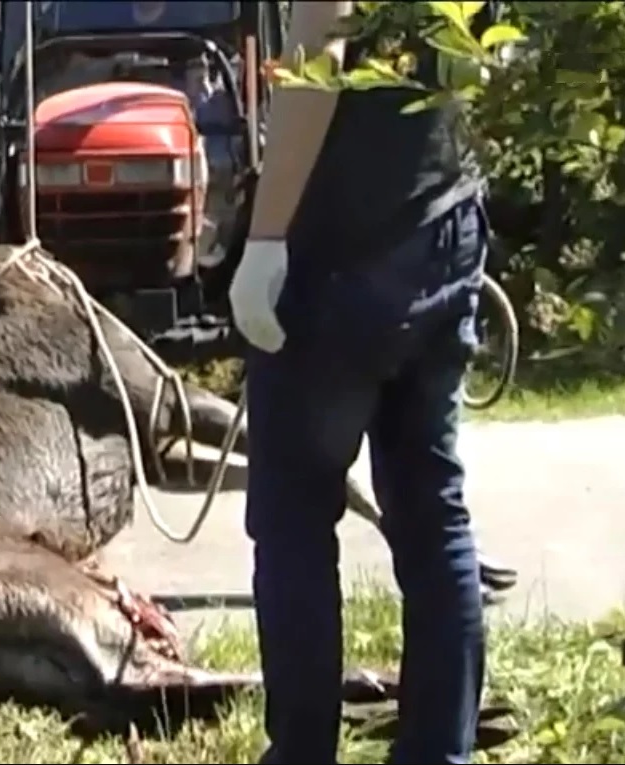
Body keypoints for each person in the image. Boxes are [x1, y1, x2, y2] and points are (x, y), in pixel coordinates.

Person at [227, 1, 500, 763]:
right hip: (447, 217)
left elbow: (324, 37)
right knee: (431, 509)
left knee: (294, 520)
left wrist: (268, 235)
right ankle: (441, 750)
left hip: (339, 251)